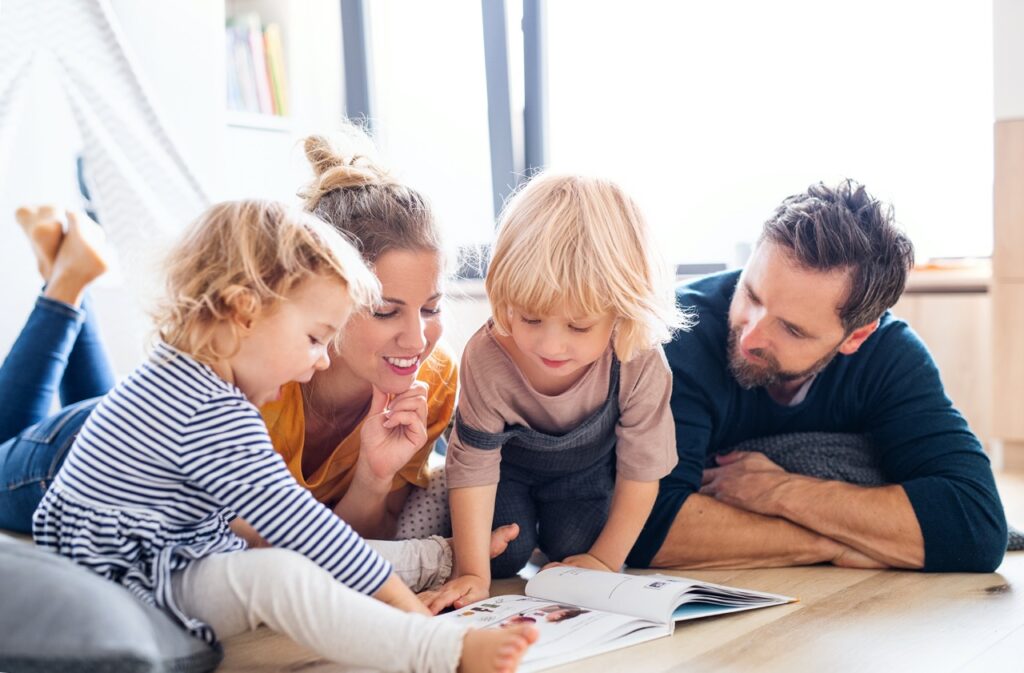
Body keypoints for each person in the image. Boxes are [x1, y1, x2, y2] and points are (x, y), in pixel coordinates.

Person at [31, 199, 537, 673]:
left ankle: (444, 560)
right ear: (243, 312)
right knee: (282, 576)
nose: (321, 359)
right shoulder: (209, 412)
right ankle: (441, 650)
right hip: (134, 586)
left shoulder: (178, 374)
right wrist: (414, 617)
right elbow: (304, 531)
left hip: (165, 557)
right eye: (315, 338)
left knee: (327, 556)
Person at [0, 123, 461, 542]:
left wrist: (373, 479)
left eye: (432, 308)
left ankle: (70, 278)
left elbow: (356, 543)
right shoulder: (261, 377)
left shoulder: (430, 380)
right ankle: (63, 288)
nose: (418, 340)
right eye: (384, 311)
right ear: (329, 301)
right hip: (87, 458)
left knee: (98, 397)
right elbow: (273, 551)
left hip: (132, 431)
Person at [626, 179, 1008, 573]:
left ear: (855, 337)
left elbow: (976, 527)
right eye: (752, 296)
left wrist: (780, 492)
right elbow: (646, 527)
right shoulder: (676, 334)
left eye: (792, 329)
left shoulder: (891, 357)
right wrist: (830, 544)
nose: (751, 336)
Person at [428, 173, 689, 613]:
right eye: (530, 319)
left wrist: (604, 560)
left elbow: (642, 473)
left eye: (579, 326)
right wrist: (471, 572)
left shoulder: (639, 359)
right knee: (503, 554)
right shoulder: (487, 356)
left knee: (576, 544)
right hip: (506, 473)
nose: (550, 346)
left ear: (621, 314)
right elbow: (472, 468)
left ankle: (558, 538)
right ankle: (521, 543)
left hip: (585, 475)